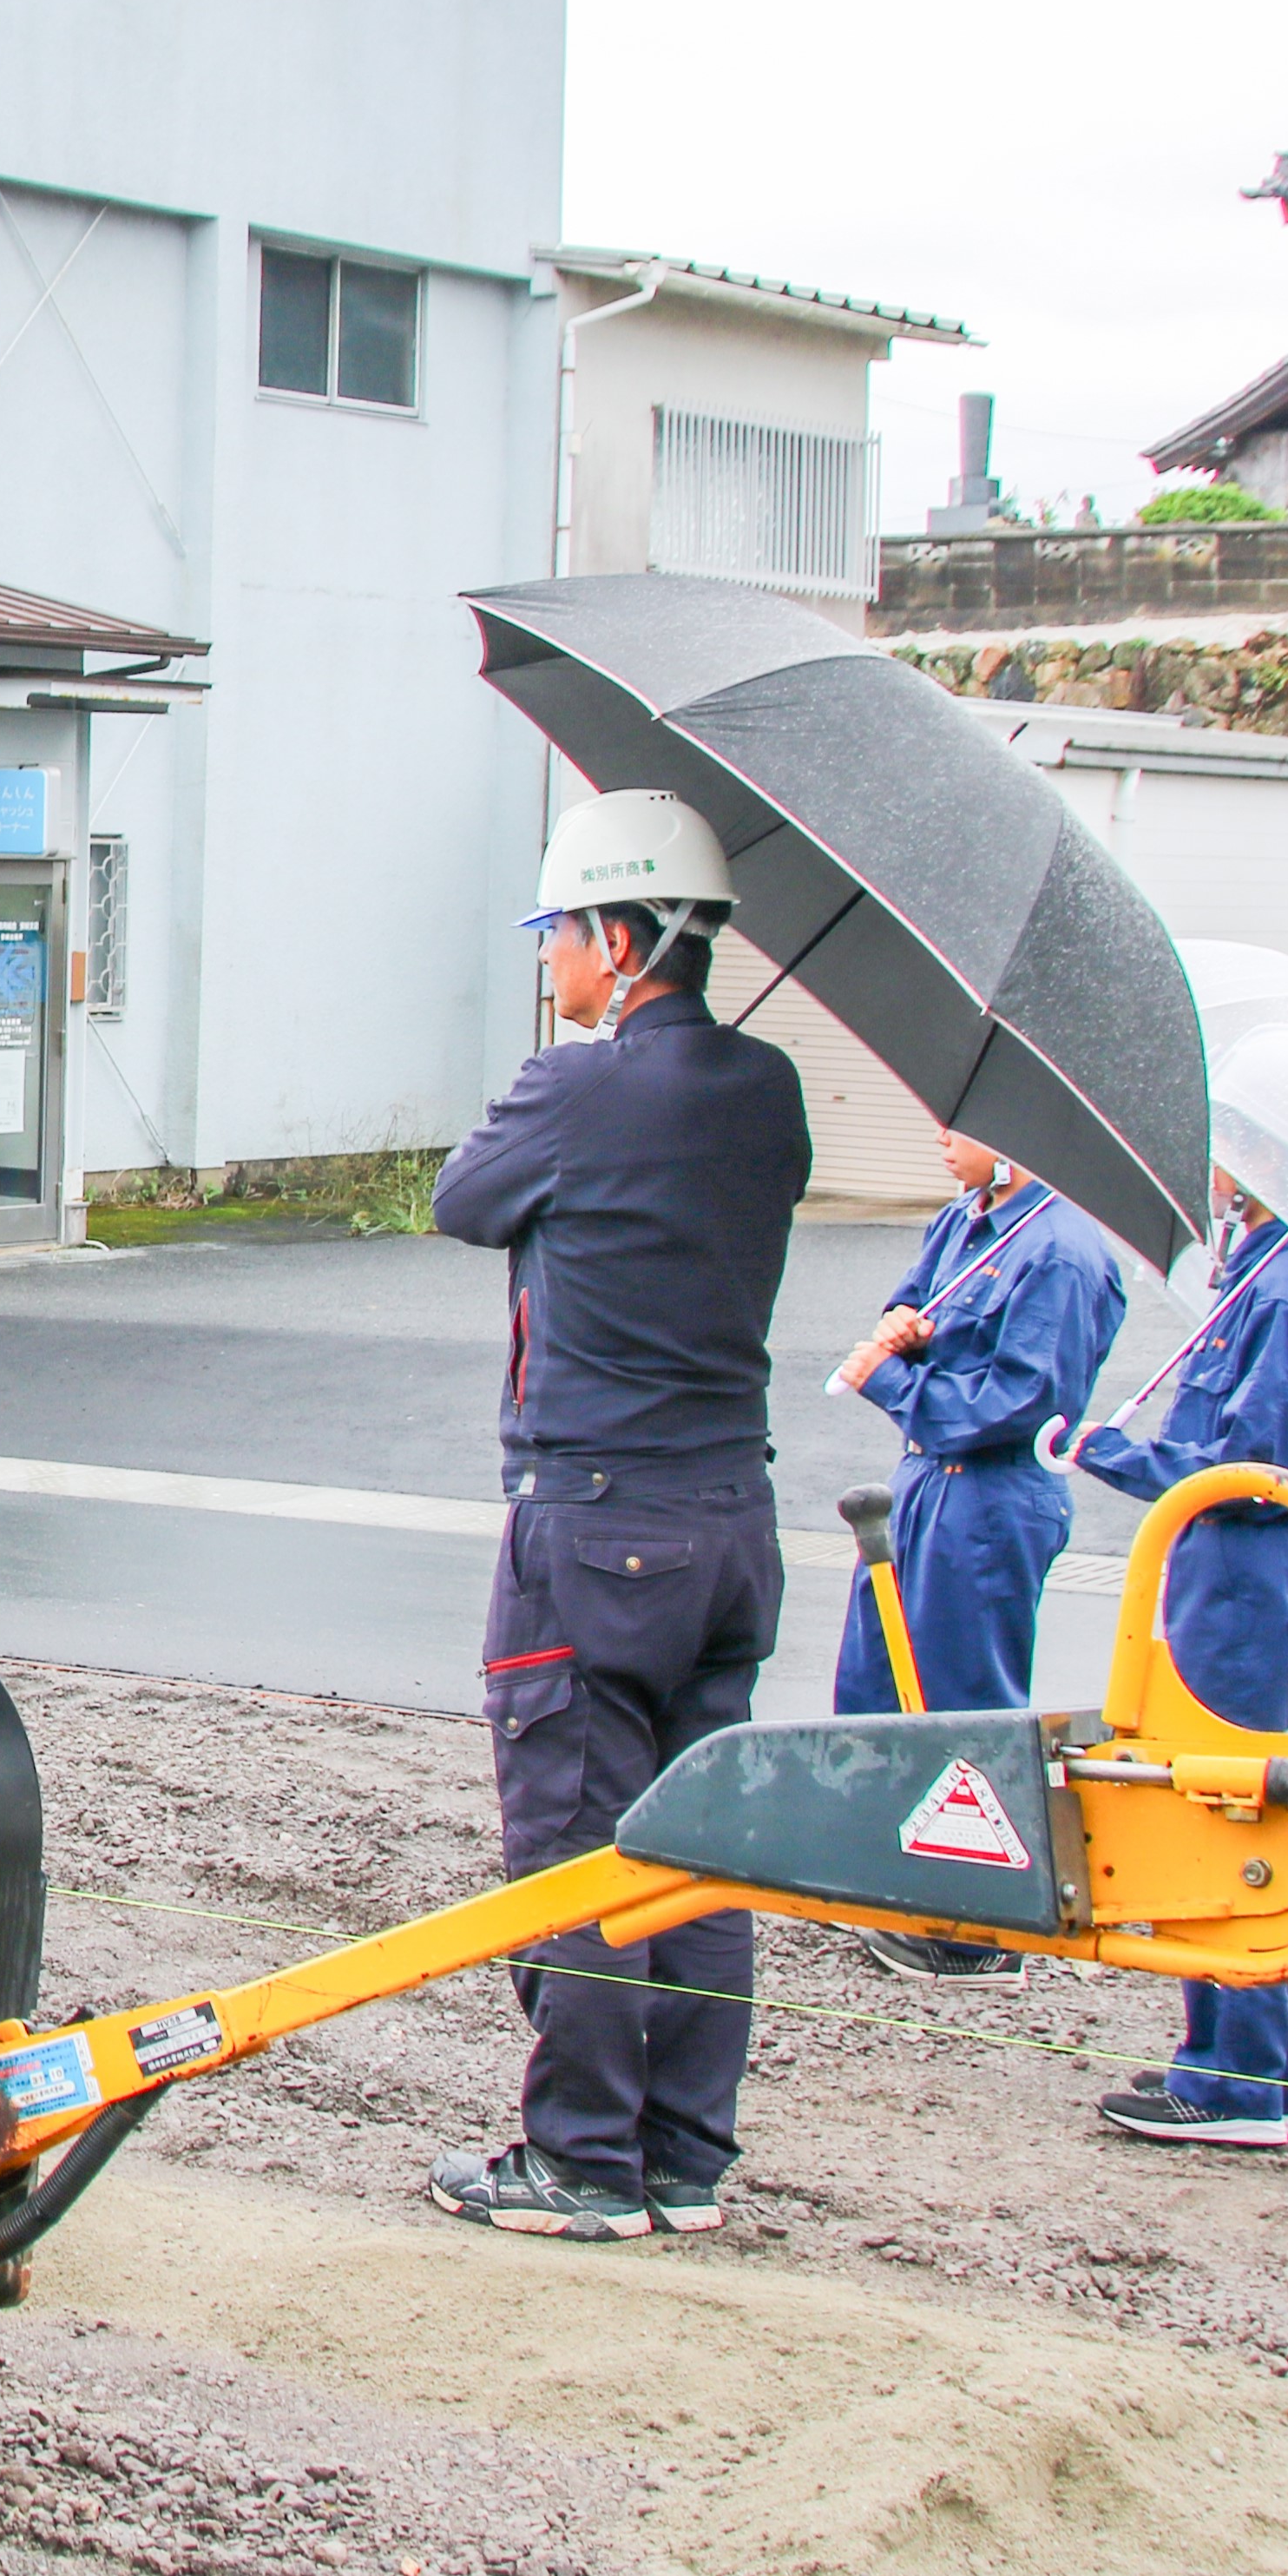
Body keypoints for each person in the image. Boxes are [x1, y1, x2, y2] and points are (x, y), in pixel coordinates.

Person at [421, 789, 811, 2244]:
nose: (550, 965)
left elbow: (465, 1201)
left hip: (591, 1526)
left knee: (578, 1851)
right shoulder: (767, 1093)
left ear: (621, 938)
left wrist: (585, 1072)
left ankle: (582, 2157)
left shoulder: (574, 1088)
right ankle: (685, 2157)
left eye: (563, 935)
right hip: (731, 1520)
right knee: (702, 1849)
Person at [1060, 1074, 1288, 2150]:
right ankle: (1258, 2069)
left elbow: (1248, 1461)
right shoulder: (1273, 1275)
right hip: (1242, 1573)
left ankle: (1235, 2076)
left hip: (1246, 1576)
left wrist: (1107, 1451)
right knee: (1251, 1803)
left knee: (1232, 1806)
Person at [825, 1127, 1130, 1981]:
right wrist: (900, 1329)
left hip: (992, 1492)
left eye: (959, 1126)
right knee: (881, 1682)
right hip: (926, 1478)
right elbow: (911, 1302)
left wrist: (890, 1379)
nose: (939, 1139)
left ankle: (977, 1927)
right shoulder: (964, 1221)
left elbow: (1023, 1401)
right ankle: (902, 1884)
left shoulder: (1063, 1251)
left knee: (965, 1702)